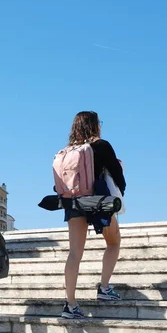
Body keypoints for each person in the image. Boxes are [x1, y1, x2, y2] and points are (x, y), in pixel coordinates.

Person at [61, 111, 125, 320]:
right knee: (114, 242)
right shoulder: (102, 145)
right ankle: (104, 288)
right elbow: (119, 177)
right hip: (97, 202)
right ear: (95, 125)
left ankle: (70, 305)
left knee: (74, 253)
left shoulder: (69, 150)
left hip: (74, 202)